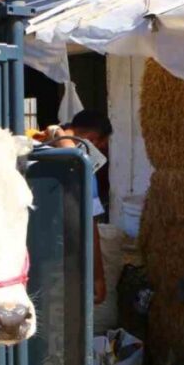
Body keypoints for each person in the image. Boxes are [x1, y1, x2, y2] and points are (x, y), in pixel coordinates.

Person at [33, 110, 114, 305]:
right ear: (92, 139)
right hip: (60, 260)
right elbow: (89, 224)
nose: (101, 150)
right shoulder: (80, 166)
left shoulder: (35, 147)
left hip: (25, 256)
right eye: (101, 144)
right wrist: (98, 277)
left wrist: (58, 133)